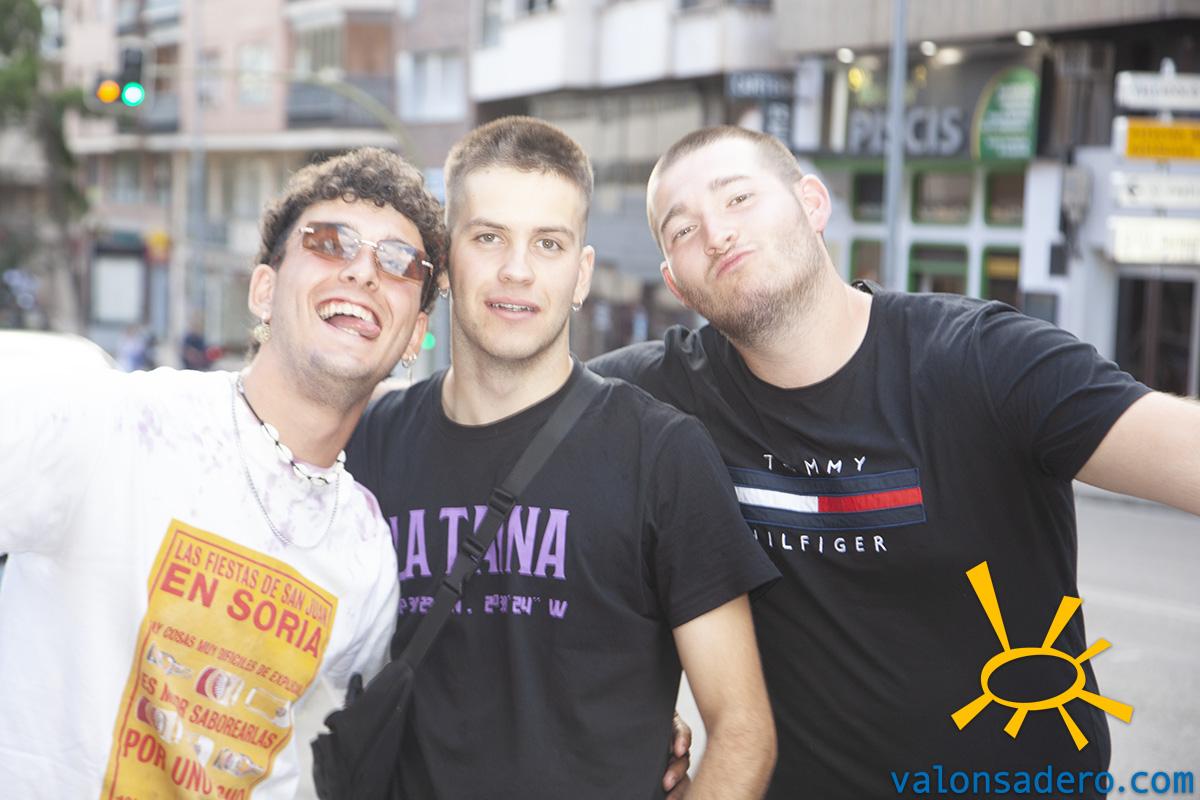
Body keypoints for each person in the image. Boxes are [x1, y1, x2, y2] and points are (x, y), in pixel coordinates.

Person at [590, 125, 1200, 799]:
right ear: (675, 283)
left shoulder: (982, 360)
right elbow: (513, 426)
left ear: (812, 204)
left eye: (738, 198)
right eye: (682, 230)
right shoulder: (656, 399)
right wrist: (628, 703)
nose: (716, 233)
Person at [346, 117, 780, 800]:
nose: (517, 270)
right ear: (447, 263)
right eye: (489, 238)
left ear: (581, 275)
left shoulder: (661, 454)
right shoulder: (372, 441)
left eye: (548, 244)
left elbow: (743, 732)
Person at [0, 147, 445, 799]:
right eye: (329, 243)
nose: (363, 271)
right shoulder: (113, 423)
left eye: (399, 262)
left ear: (414, 335)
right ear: (263, 290)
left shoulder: (367, 551)